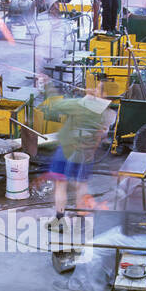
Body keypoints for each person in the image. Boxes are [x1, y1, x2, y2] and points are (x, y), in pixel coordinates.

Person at [44, 89, 113, 226]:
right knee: (81, 185)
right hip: (87, 152)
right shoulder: (105, 112)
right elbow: (103, 133)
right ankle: (80, 221)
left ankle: (59, 220)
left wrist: (48, 86)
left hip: (67, 149)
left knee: (61, 184)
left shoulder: (78, 104)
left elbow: (56, 105)